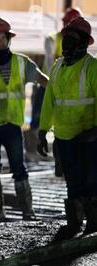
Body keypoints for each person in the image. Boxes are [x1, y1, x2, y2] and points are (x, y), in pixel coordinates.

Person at [0, 18, 48, 224]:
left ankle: (27, 210)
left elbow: (43, 80)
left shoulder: (22, 63)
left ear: (8, 38)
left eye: (1, 38)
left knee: (18, 167)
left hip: (12, 125)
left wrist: (56, 95)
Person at [38, 17, 97, 240]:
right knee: (72, 181)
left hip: (89, 138)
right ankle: (74, 221)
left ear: (84, 43)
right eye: (66, 39)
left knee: (91, 181)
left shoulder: (92, 67)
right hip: (64, 138)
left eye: (73, 39)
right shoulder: (56, 68)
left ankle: (93, 222)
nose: (67, 44)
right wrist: (43, 131)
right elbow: (49, 101)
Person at [26, 7, 83, 164]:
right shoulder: (52, 39)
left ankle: (63, 154)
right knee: (38, 117)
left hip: (67, 88)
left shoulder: (80, 43)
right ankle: (32, 151)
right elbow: (50, 61)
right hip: (47, 85)